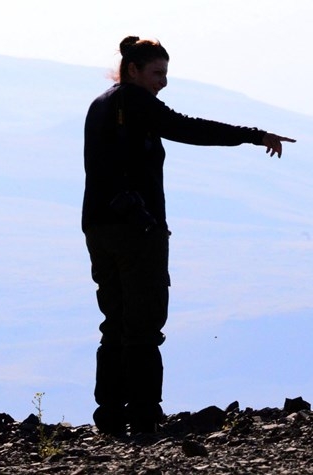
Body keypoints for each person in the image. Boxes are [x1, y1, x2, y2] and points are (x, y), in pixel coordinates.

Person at [82, 36, 295, 436]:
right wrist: (254, 134)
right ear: (133, 70)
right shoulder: (135, 100)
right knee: (144, 322)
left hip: (98, 226)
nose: (163, 82)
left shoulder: (100, 104)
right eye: (157, 73)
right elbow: (187, 128)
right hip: (137, 228)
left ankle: (110, 415)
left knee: (114, 321)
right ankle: (145, 416)